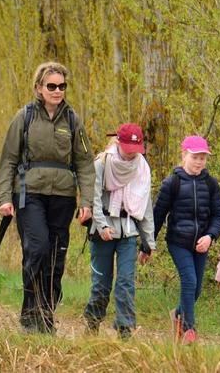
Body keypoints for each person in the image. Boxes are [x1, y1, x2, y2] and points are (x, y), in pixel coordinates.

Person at [0, 61, 96, 334]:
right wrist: (4, 198)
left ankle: (46, 315)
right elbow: (7, 160)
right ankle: (30, 312)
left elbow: (86, 164)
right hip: (29, 195)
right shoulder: (24, 117)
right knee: (37, 249)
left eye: (62, 86)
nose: (57, 91)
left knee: (55, 257)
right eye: (51, 86)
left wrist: (87, 202)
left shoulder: (73, 120)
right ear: (39, 88)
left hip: (63, 198)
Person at [83, 123, 156, 339]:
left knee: (125, 282)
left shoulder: (142, 167)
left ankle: (125, 330)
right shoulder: (102, 163)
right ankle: (93, 323)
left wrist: (148, 242)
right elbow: (94, 197)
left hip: (128, 232)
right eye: (128, 148)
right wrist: (102, 225)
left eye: (136, 149)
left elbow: (145, 206)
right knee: (101, 285)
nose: (133, 153)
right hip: (103, 230)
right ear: (118, 142)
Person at [153, 135, 220, 344]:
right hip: (178, 241)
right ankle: (189, 330)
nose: (199, 162)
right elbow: (158, 215)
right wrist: (147, 245)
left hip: (200, 244)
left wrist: (210, 236)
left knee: (196, 290)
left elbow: (219, 214)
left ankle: (177, 314)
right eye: (195, 157)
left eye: (203, 158)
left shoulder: (211, 183)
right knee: (189, 281)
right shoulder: (172, 183)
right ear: (184, 155)